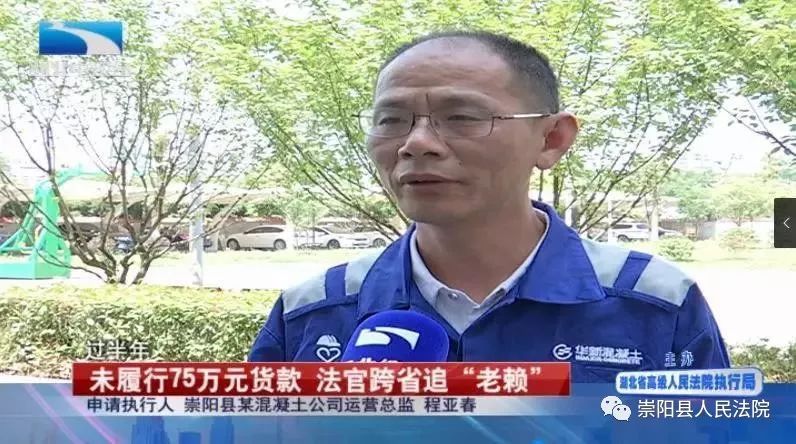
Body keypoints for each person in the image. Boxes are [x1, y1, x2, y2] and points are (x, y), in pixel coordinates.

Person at [248, 30, 730, 381]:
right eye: (391, 120)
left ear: (552, 139)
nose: (416, 144)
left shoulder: (654, 302)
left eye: (462, 117)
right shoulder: (313, 312)